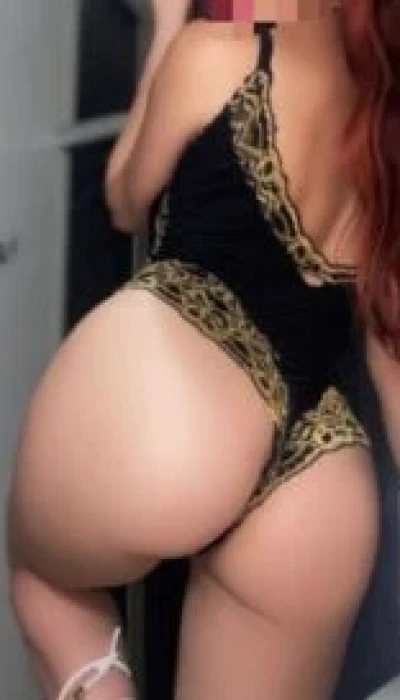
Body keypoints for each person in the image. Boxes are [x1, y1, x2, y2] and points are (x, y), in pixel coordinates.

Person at [7, 0, 400, 698]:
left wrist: (165, 31)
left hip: (178, 402)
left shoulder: (223, 49)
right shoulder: (384, 115)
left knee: (46, 587)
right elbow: (388, 353)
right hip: (322, 475)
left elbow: (126, 198)